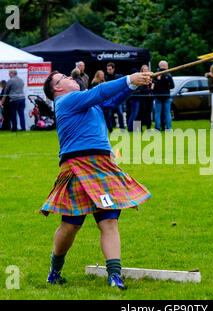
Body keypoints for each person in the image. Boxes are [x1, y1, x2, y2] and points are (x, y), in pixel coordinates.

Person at [41, 70, 152, 289]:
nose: (72, 78)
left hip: (102, 167)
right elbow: (100, 92)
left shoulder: (87, 104)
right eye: (65, 77)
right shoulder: (66, 101)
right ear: (57, 88)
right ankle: (55, 271)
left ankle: (114, 276)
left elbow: (109, 102)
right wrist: (130, 79)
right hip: (77, 167)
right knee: (71, 225)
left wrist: (133, 86)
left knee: (109, 221)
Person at [152, 60, 175, 131]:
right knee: (167, 113)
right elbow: (172, 86)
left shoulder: (155, 75)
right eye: (167, 65)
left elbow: (153, 87)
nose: (168, 67)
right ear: (164, 66)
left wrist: (159, 81)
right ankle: (169, 128)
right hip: (166, 96)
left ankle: (157, 128)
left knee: (157, 113)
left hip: (158, 96)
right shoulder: (168, 75)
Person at [104, 62, 125, 131]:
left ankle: (122, 129)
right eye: (107, 69)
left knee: (120, 113)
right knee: (109, 115)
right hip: (109, 99)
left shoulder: (118, 77)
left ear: (113, 69)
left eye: (110, 69)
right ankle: (110, 129)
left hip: (117, 98)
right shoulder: (105, 77)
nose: (108, 71)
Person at [138, 65, 154, 130]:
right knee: (140, 113)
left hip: (149, 98)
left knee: (148, 113)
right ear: (142, 70)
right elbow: (142, 90)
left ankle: (148, 128)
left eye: (147, 69)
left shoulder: (150, 78)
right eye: (144, 69)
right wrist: (151, 88)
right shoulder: (140, 78)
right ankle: (138, 128)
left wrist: (151, 88)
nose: (146, 71)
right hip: (142, 99)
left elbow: (154, 84)